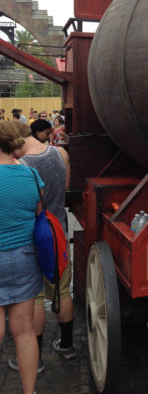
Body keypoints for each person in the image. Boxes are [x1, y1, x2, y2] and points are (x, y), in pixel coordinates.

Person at [9, 120, 75, 375]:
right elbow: (66, 189)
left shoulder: (19, 165)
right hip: (57, 231)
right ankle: (67, 345)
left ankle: (34, 359)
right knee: (62, 289)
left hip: (32, 236)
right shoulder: (60, 153)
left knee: (35, 297)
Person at [0, 121, 43, 394]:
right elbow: (39, 213)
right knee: (24, 330)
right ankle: (29, 392)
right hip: (24, 255)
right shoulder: (30, 175)